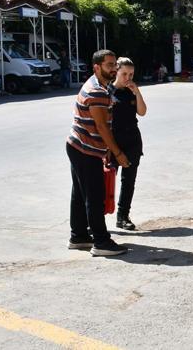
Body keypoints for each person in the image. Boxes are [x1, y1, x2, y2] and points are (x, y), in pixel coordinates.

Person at [66, 49, 130, 256]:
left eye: (115, 65)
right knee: (94, 196)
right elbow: (102, 127)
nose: (114, 69)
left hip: (79, 146)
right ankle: (101, 242)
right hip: (85, 149)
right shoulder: (97, 92)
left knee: (80, 193)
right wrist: (117, 153)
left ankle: (79, 236)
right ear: (97, 67)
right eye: (109, 65)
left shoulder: (100, 85)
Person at [110, 57, 147, 230]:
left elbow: (142, 112)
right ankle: (96, 219)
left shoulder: (132, 91)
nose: (127, 78)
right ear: (116, 71)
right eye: (124, 73)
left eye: (131, 74)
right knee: (106, 181)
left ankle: (123, 216)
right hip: (112, 142)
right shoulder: (107, 91)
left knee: (128, 181)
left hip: (132, 140)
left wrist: (137, 92)